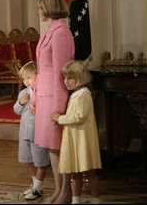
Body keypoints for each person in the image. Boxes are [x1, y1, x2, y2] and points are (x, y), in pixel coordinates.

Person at [29, 0, 75, 203]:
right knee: (51, 146)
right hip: (44, 96)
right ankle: (58, 189)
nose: (38, 11)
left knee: (59, 146)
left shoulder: (61, 32)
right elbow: (41, 68)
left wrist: (59, 107)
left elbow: (61, 72)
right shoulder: (49, 30)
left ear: (49, 8)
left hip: (55, 99)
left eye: (40, 7)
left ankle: (66, 192)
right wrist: (35, 98)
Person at [50, 60, 102, 204]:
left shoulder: (83, 96)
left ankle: (96, 199)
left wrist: (60, 118)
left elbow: (78, 117)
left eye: (70, 78)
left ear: (81, 77)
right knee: (75, 173)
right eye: (65, 78)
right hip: (74, 139)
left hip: (83, 140)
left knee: (90, 172)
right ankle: (75, 199)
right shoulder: (75, 95)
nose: (66, 81)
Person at [13, 61, 50, 201]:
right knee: (29, 160)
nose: (25, 81)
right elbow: (16, 110)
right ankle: (36, 185)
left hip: (38, 134)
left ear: (38, 76)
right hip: (24, 135)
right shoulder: (23, 93)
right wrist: (21, 102)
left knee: (40, 161)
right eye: (23, 78)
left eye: (29, 77)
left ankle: (38, 186)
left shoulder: (43, 93)